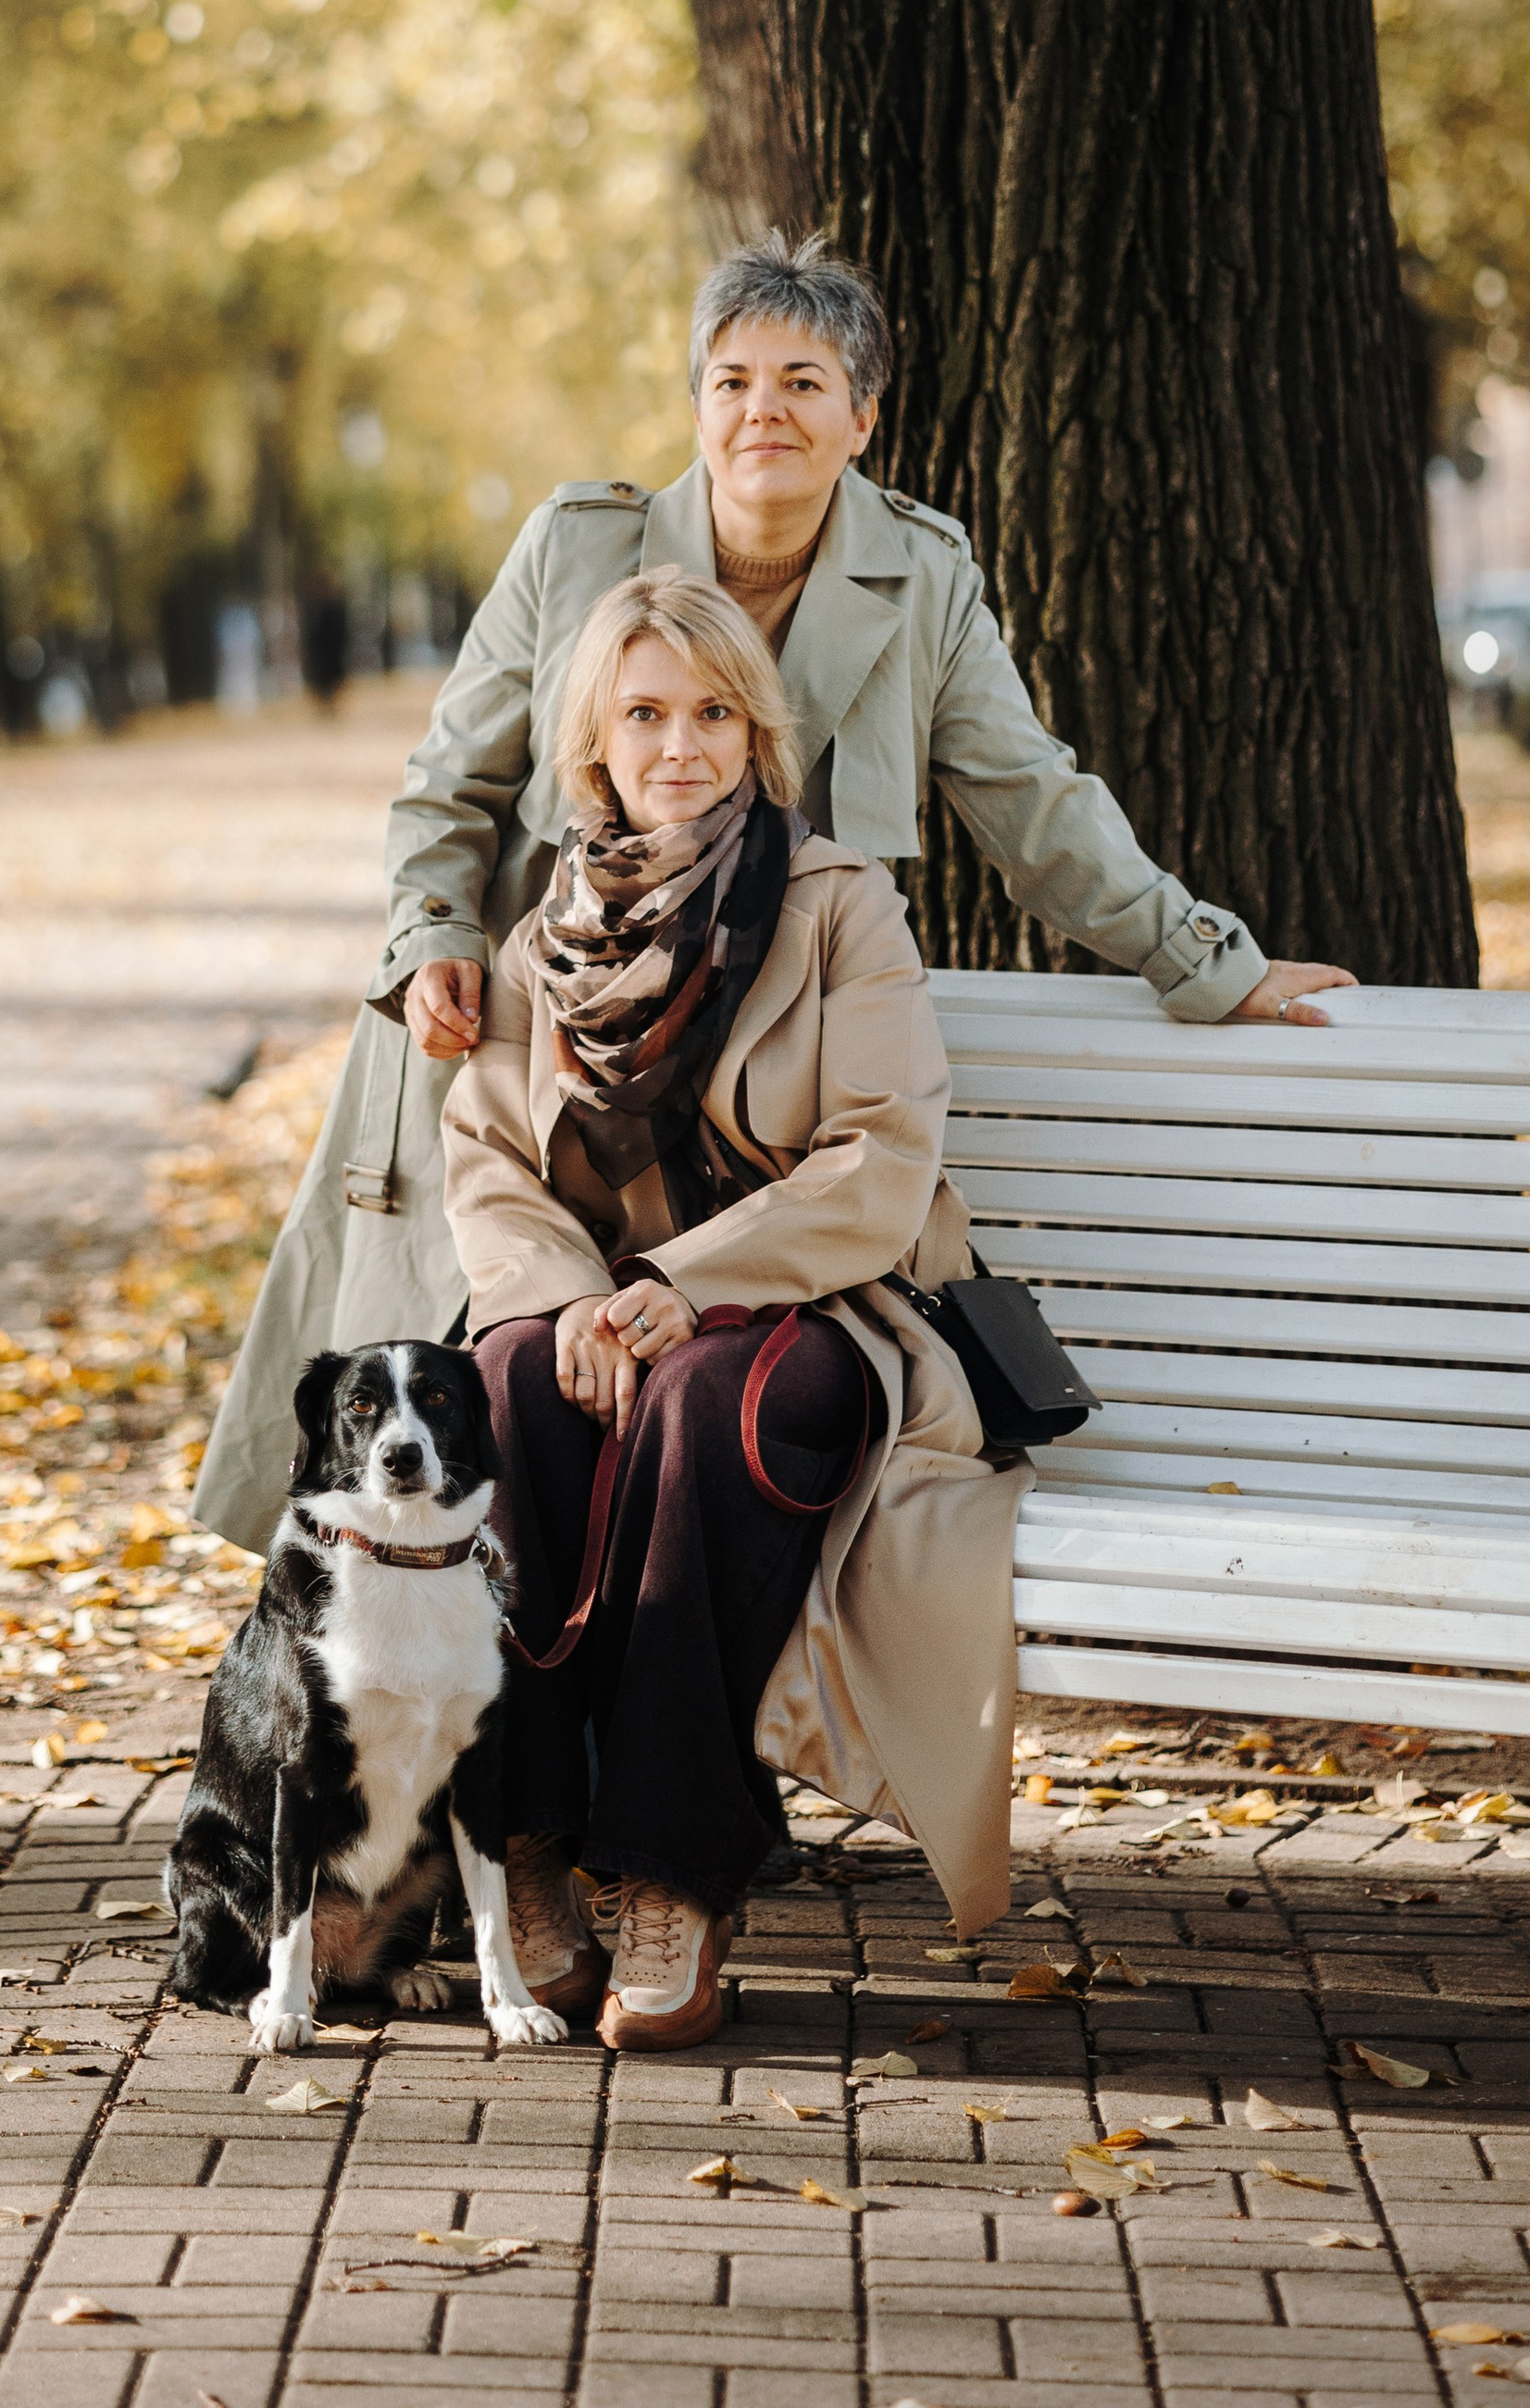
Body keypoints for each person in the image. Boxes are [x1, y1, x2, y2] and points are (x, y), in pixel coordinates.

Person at [194, 229, 1352, 1552]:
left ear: (864, 414)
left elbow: (1033, 800)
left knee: (666, 1400)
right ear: (696, 402)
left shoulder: (921, 575)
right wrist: (437, 933)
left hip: (754, 1110)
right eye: (735, 379)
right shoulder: (577, 549)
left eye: (805, 382)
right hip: (536, 1048)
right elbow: (446, 784)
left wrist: (1210, 959)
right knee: (434, 1424)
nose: (765, 411)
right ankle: (393, 1705)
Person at [442, 570, 1023, 2047]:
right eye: (644, 714)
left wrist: (673, 1288)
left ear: (756, 732)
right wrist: (580, 1299)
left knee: (709, 1402)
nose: (679, 744)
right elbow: (495, 1164)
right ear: (596, 747)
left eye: (711, 711)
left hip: (816, 1316)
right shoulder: (541, 941)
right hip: (609, 1312)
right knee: (505, 1382)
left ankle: (671, 1873)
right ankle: (529, 1848)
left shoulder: (839, 908)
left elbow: (880, 1162)